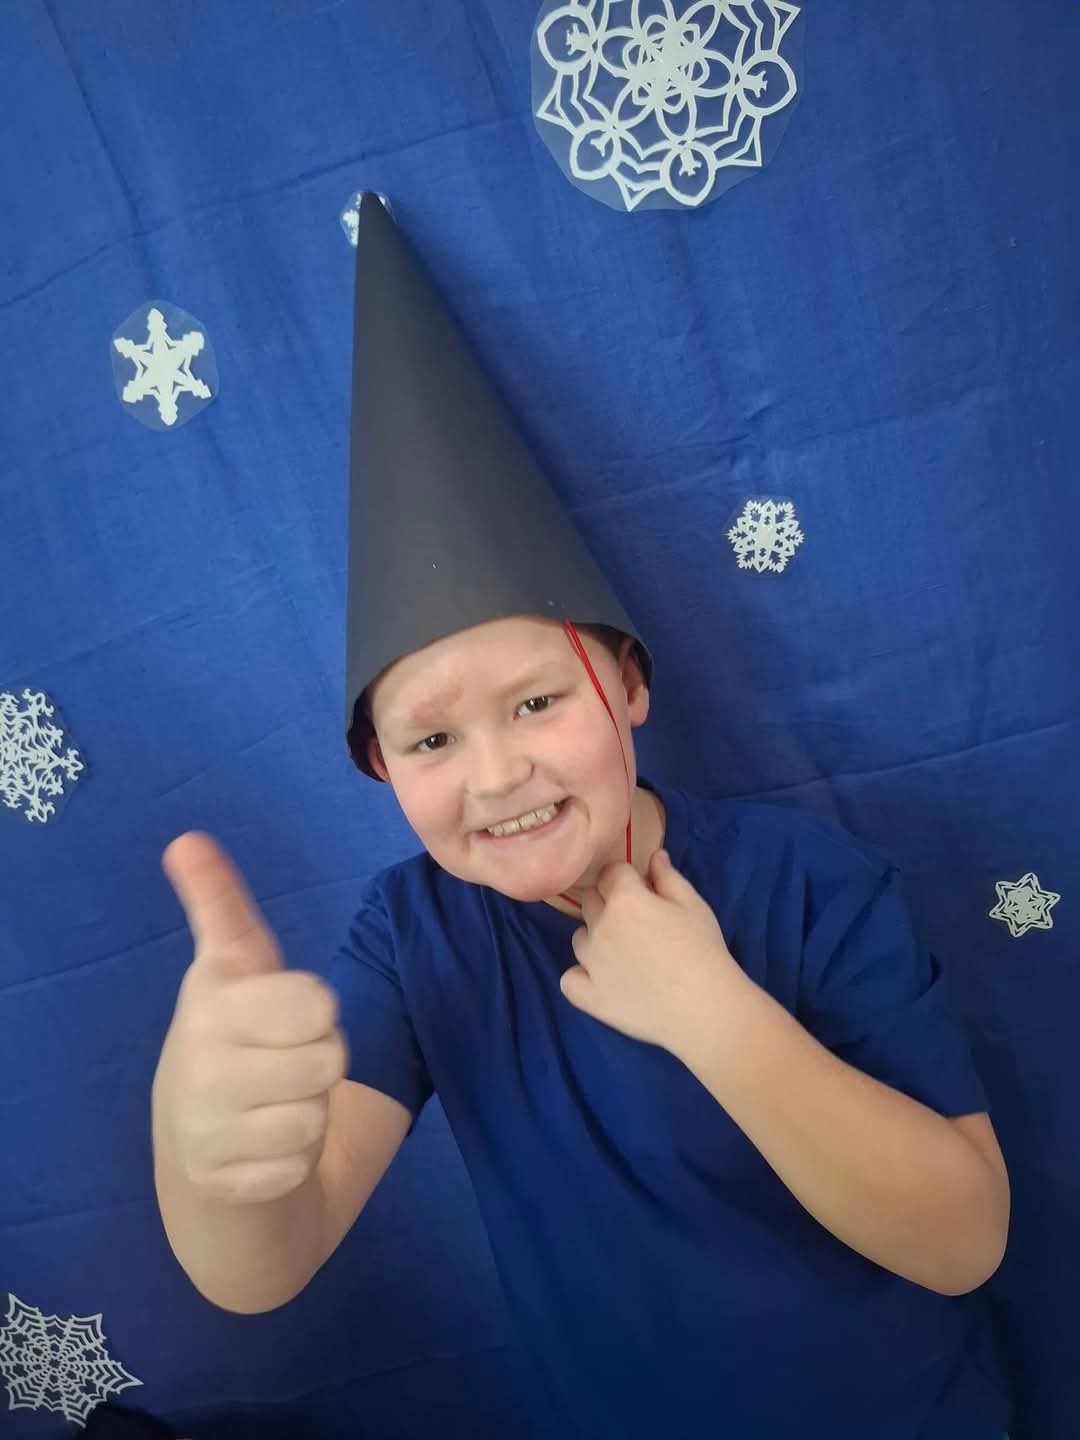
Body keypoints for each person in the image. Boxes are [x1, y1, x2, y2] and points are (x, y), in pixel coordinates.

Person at [151, 197, 1011, 1439]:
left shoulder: (810, 883)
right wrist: (208, 1152)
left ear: (631, 686)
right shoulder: (411, 936)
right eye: (432, 741)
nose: (496, 774)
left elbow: (967, 1241)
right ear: (382, 769)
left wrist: (710, 1013)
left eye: (539, 702)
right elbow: (263, 1268)